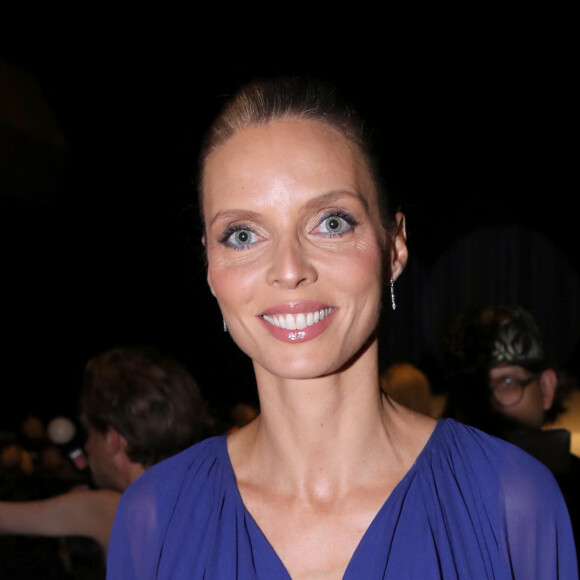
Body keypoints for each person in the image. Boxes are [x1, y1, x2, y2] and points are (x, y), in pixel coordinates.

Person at [107, 77, 577, 579]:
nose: (288, 268)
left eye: (331, 222)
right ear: (210, 267)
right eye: (242, 234)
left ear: (394, 247)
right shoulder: (154, 517)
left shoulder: (512, 501)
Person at [0, 345, 210, 566]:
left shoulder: (115, 511)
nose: (87, 447)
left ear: (112, 439)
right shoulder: (211, 501)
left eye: (89, 432)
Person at [441, 304, 580, 569]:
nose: (489, 405)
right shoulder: (435, 487)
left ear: (547, 388)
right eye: (474, 390)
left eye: (508, 383)